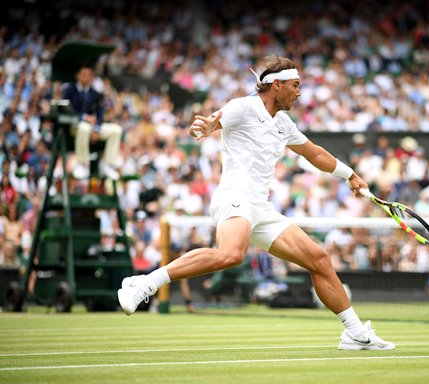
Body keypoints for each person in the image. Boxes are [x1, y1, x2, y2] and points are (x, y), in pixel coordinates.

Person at [118, 55, 394, 351]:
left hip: (260, 207)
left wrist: (350, 174)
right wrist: (208, 126)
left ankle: (353, 333)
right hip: (234, 195)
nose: (300, 92)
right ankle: (144, 283)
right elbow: (215, 121)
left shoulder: (284, 124)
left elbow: (314, 154)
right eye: (295, 85)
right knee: (231, 254)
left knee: (319, 259)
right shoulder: (243, 106)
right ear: (276, 86)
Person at [62, 65, 122, 180]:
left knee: (116, 130)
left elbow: (99, 114)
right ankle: (82, 164)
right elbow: (66, 110)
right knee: (84, 127)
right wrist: (84, 117)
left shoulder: (95, 93)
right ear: (77, 76)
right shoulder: (69, 90)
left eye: (89, 76)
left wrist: (97, 129)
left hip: (92, 127)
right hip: (75, 127)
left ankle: (108, 164)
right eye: (83, 75)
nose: (86, 78)